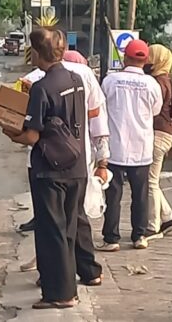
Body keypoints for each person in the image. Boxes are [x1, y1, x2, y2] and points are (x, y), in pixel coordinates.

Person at [3, 28, 87, 309]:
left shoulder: (42, 87)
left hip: (49, 171)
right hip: (76, 168)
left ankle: (58, 294)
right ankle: (69, 290)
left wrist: (9, 132)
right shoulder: (76, 80)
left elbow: (31, 135)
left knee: (51, 233)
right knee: (68, 231)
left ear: (37, 53)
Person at [16, 50, 106, 288]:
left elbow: (25, 119)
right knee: (77, 218)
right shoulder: (82, 76)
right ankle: (89, 271)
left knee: (52, 225)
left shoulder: (38, 79)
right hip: (79, 156)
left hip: (48, 159)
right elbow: (97, 115)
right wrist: (102, 156)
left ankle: (56, 280)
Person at [96, 39, 162, 252]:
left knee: (113, 195)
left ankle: (111, 238)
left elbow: (102, 106)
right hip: (141, 147)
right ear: (146, 61)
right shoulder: (152, 84)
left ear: (125, 57)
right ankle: (139, 235)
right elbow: (156, 111)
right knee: (140, 194)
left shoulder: (111, 80)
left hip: (116, 147)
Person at [144, 45, 172, 240]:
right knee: (152, 180)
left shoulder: (158, 83)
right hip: (164, 133)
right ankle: (168, 218)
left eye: (151, 56)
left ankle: (153, 226)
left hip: (157, 134)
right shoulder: (164, 80)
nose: (147, 60)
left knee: (150, 181)